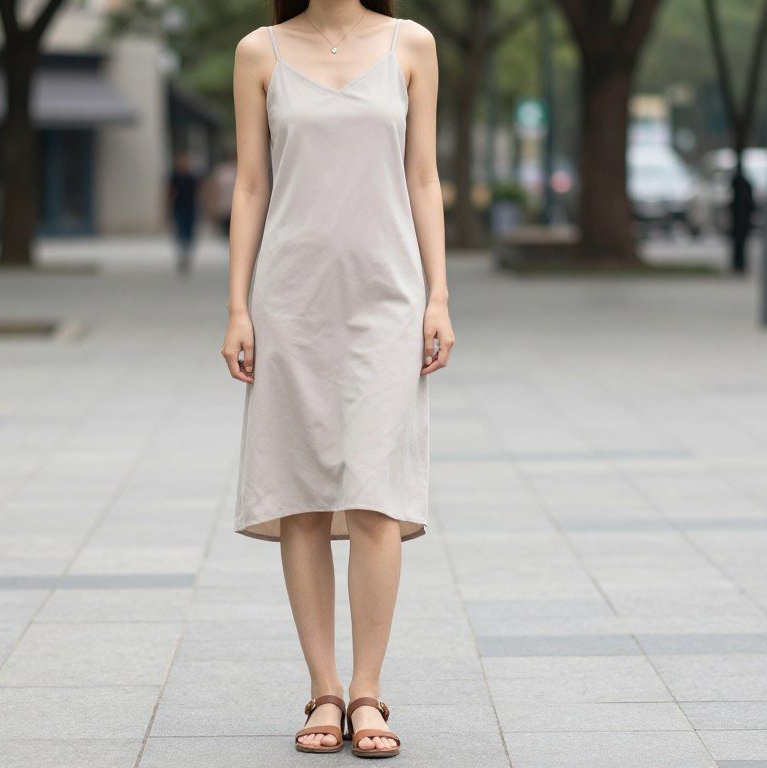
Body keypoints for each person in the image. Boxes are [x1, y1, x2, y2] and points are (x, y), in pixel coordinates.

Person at [220, 0, 453, 759]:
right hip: (290, 299)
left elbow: (423, 176)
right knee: (302, 495)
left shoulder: (411, 44)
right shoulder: (259, 52)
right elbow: (251, 186)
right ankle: (323, 688)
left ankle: (367, 691)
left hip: (388, 296)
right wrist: (238, 307)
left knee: (376, 494)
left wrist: (439, 296)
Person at [168, 150, 200, 273]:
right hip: (179, 207)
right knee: (180, 228)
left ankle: (186, 249)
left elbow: (199, 192)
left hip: (190, 207)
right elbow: (170, 192)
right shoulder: (175, 177)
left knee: (189, 229)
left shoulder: (192, 177)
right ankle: (182, 249)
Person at [205, 148, 238, 237]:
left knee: (230, 229)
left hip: (227, 205)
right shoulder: (235, 170)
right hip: (230, 205)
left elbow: (213, 189)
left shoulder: (221, 171)